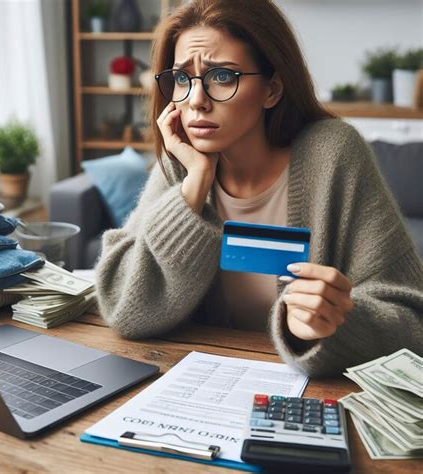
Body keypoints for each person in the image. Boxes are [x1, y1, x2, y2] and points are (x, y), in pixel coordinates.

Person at [95, 0, 422, 376]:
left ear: (272, 89)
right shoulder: (182, 162)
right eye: (183, 79)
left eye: (222, 77)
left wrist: (329, 326)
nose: (197, 101)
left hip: (307, 396)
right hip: (202, 386)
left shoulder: (334, 154)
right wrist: (195, 184)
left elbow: (411, 318)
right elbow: (123, 308)